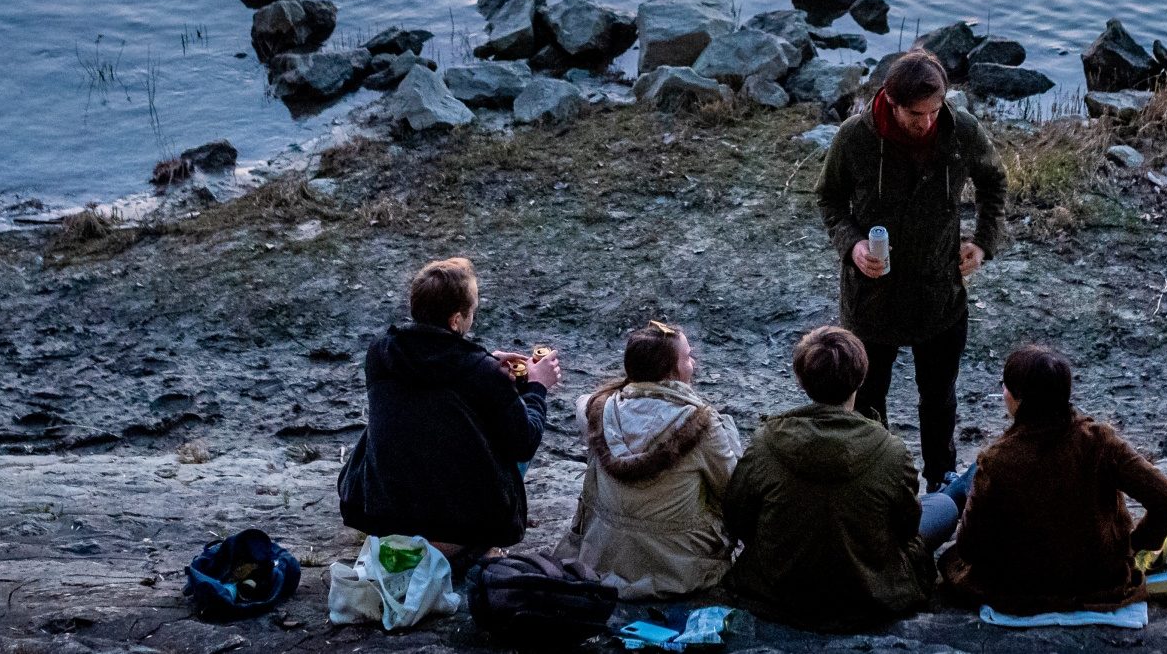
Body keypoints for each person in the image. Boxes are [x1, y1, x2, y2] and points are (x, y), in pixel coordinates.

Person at [815, 48, 1008, 489]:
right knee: (867, 399)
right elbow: (828, 199)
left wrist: (982, 242)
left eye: (934, 111)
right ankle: (874, 479)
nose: (926, 123)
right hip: (871, 299)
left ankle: (940, 477)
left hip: (939, 294)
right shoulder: (855, 138)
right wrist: (852, 245)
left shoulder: (961, 131)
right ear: (891, 101)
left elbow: (994, 182)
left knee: (939, 399)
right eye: (915, 114)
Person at [336, 256, 563, 573]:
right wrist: (537, 387)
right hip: (459, 523)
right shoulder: (480, 372)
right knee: (508, 434)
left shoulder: (381, 353)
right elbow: (524, 441)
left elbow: (433, 378)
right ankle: (466, 546)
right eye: (473, 310)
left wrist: (488, 362)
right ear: (457, 320)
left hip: (382, 513)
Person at [937, 344, 1167, 615]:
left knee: (951, 561)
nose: (1003, 393)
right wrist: (1132, 545)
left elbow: (970, 548)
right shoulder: (1100, 441)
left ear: (1018, 399)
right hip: (1101, 581)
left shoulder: (997, 460)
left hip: (1021, 590)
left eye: (1006, 387)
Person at [723, 325, 940, 632]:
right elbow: (906, 527)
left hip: (778, 591)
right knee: (944, 504)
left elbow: (737, 516)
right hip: (870, 593)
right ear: (861, 379)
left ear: (801, 379)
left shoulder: (765, 443)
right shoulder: (892, 450)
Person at [553, 320, 746, 599]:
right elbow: (731, 492)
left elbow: (582, 402)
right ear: (672, 371)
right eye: (688, 357)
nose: (693, 364)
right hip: (679, 570)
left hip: (603, 559)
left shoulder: (596, 411)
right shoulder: (703, 425)